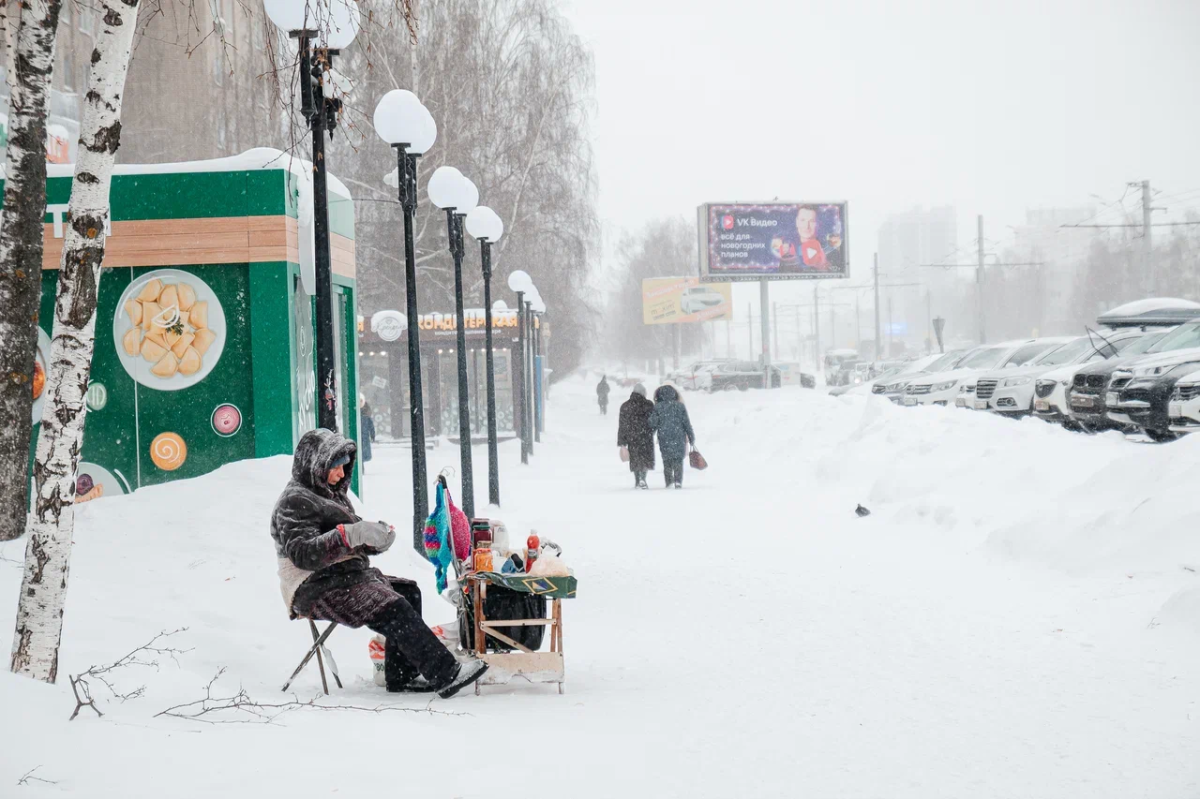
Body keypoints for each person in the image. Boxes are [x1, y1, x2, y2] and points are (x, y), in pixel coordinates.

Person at [270, 428, 487, 698]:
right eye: (335, 467)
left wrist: (375, 540)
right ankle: (446, 674)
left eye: (343, 468)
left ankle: (401, 676)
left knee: (408, 592)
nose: (340, 474)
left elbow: (348, 540)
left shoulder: (328, 494)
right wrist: (350, 534)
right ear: (316, 464)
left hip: (342, 577)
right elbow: (304, 554)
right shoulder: (294, 501)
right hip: (312, 588)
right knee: (392, 607)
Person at [649, 384, 695, 489]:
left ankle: (669, 481)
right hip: (679, 436)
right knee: (678, 459)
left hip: (664, 437)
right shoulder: (680, 406)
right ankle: (678, 481)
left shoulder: (658, 407)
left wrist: (649, 434)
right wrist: (691, 436)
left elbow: (653, 423)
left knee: (667, 459)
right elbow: (686, 423)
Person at [617, 383, 655, 489]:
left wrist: (622, 442)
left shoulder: (625, 406)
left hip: (632, 437)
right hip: (646, 436)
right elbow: (654, 421)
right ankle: (643, 478)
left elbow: (622, 425)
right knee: (645, 459)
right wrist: (652, 431)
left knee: (635, 459)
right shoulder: (649, 405)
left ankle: (638, 480)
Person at [359, 396, 376, 467]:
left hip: (362, 436)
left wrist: (372, 435)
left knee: (360, 452)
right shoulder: (366, 416)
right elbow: (371, 427)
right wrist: (372, 436)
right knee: (362, 452)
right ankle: (361, 464)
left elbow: (371, 427)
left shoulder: (362, 416)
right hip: (364, 436)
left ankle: (361, 465)